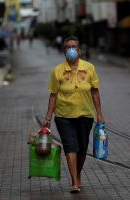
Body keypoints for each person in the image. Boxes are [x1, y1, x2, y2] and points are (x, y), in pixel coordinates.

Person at [42, 36, 104, 193]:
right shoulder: (57, 71)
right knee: (71, 147)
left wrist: (99, 114)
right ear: (64, 51)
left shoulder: (89, 68)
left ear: (79, 50)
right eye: (68, 47)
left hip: (85, 115)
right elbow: (53, 95)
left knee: (82, 148)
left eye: (74, 47)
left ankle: (77, 175)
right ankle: (75, 182)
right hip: (64, 116)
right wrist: (48, 118)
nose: (71, 49)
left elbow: (95, 92)